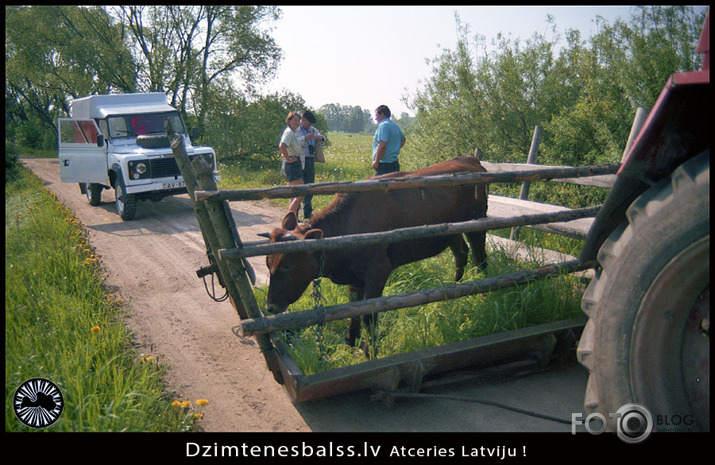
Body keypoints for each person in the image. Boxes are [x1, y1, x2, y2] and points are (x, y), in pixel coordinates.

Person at [279, 111, 307, 215]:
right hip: (292, 164)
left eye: (299, 121)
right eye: (295, 120)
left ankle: (291, 218)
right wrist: (288, 159)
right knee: (300, 194)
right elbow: (282, 146)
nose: (297, 123)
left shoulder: (291, 132)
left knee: (293, 194)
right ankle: (289, 217)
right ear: (289, 121)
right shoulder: (289, 132)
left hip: (292, 163)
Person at [299, 110, 324, 220]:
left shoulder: (313, 130)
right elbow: (293, 141)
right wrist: (305, 138)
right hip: (299, 160)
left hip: (310, 160)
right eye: (309, 122)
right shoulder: (297, 129)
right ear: (303, 120)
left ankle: (307, 212)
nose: (310, 125)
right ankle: (294, 214)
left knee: (310, 186)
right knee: (298, 187)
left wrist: (320, 138)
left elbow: (322, 137)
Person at [371, 105, 406, 176]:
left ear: (382, 114)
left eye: (376, 115)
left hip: (384, 164)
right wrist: (394, 148)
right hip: (394, 164)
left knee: (377, 186)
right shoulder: (394, 125)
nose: (375, 118)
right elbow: (403, 139)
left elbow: (382, 145)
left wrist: (376, 162)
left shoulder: (383, 126)